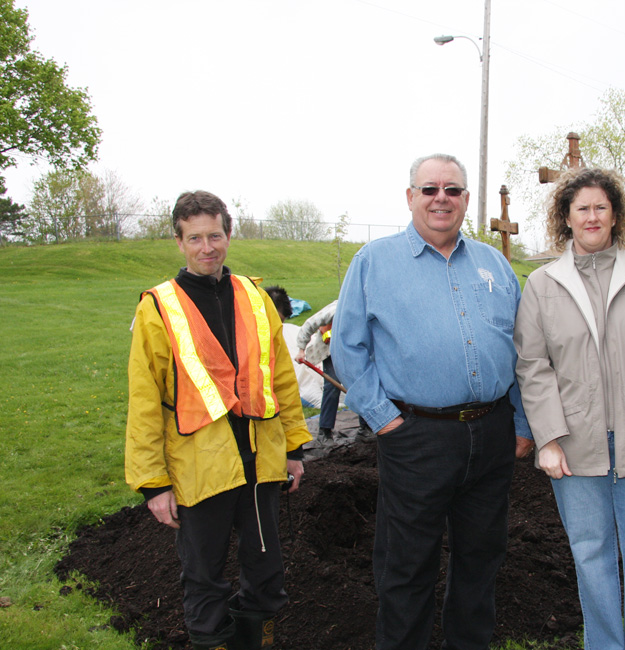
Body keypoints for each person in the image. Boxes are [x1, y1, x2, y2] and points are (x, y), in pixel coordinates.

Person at [330, 153, 534, 650]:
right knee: (407, 566)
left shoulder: (494, 264)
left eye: (453, 189)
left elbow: (524, 350)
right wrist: (385, 422)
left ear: (465, 199)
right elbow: (347, 348)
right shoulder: (373, 263)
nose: (441, 198)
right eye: (429, 189)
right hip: (416, 438)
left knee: (481, 560)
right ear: (410, 197)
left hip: (492, 435)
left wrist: (523, 424)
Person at [513, 167, 625, 650]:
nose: (592, 216)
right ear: (566, 219)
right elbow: (533, 367)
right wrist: (548, 439)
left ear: (615, 215)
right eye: (581, 208)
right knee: (591, 558)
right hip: (575, 446)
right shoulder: (543, 285)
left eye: (601, 207)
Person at [125, 191, 312, 650]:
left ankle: (259, 642)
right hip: (199, 468)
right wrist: (154, 483)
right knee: (205, 580)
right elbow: (144, 399)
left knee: (266, 575)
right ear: (179, 242)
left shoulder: (254, 297)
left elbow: (282, 378)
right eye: (195, 238)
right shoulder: (158, 308)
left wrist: (293, 448)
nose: (206, 247)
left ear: (228, 235)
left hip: (261, 464)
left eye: (215, 235)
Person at [293, 300, 340, 440]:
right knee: (332, 385)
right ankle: (325, 430)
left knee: (362, 384)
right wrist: (301, 350)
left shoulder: (366, 311)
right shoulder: (335, 310)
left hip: (354, 348)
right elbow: (308, 325)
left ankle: (366, 428)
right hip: (330, 349)